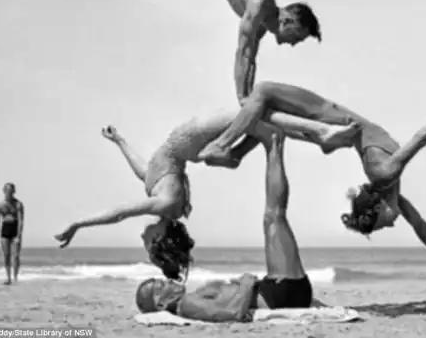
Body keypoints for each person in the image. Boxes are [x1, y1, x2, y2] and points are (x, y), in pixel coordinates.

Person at [197, 81, 426, 289]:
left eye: (383, 225)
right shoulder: (387, 175)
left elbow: (420, 226)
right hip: (328, 118)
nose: (391, 224)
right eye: (383, 224)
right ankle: (225, 148)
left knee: (262, 96)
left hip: (331, 121)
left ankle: (233, 153)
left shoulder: (386, 181)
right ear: (378, 207)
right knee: (262, 95)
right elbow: (419, 141)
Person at [53, 105, 359, 254]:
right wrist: (78, 224)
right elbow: (119, 212)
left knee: (259, 117)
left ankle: (318, 137)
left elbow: (144, 171)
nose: (143, 239)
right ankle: (323, 134)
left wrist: (119, 140)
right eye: (148, 244)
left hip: (188, 144)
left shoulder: (162, 199)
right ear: (160, 239)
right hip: (189, 139)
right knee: (258, 110)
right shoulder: (166, 204)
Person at [135, 126, 319, 320]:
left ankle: (269, 141)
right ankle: (271, 142)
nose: (168, 283)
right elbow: (231, 313)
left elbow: (223, 306)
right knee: (274, 216)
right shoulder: (187, 305)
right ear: (161, 304)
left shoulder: (188, 301)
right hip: (280, 294)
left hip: (281, 293)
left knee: (273, 217)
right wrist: (246, 283)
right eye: (161, 286)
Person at [0, 182, 24, 285]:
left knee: (16, 256)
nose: (9, 193)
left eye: (11, 191)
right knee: (6, 255)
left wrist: (18, 236)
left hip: (15, 230)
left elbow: (20, 221)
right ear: (4, 191)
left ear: (13, 192)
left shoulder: (18, 204)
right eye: (7, 191)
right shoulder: (0, 205)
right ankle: (8, 278)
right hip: (5, 230)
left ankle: (15, 277)